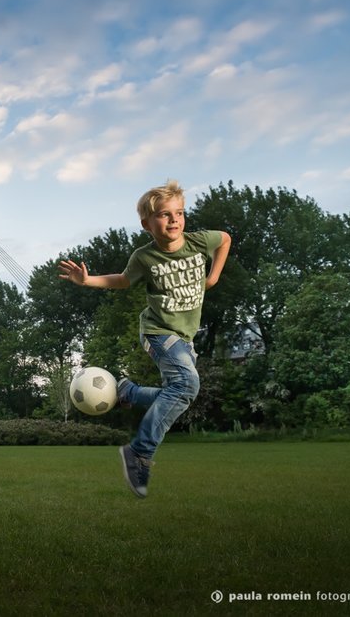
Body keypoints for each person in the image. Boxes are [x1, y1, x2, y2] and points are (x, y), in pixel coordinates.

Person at [57, 180, 231, 498]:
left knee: (179, 394)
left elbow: (226, 239)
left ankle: (131, 393)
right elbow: (123, 280)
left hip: (186, 337)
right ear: (147, 224)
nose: (174, 219)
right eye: (165, 215)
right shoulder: (144, 257)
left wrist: (214, 275)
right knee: (187, 386)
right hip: (158, 332)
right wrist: (87, 281)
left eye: (179, 213)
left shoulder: (199, 242)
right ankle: (140, 453)